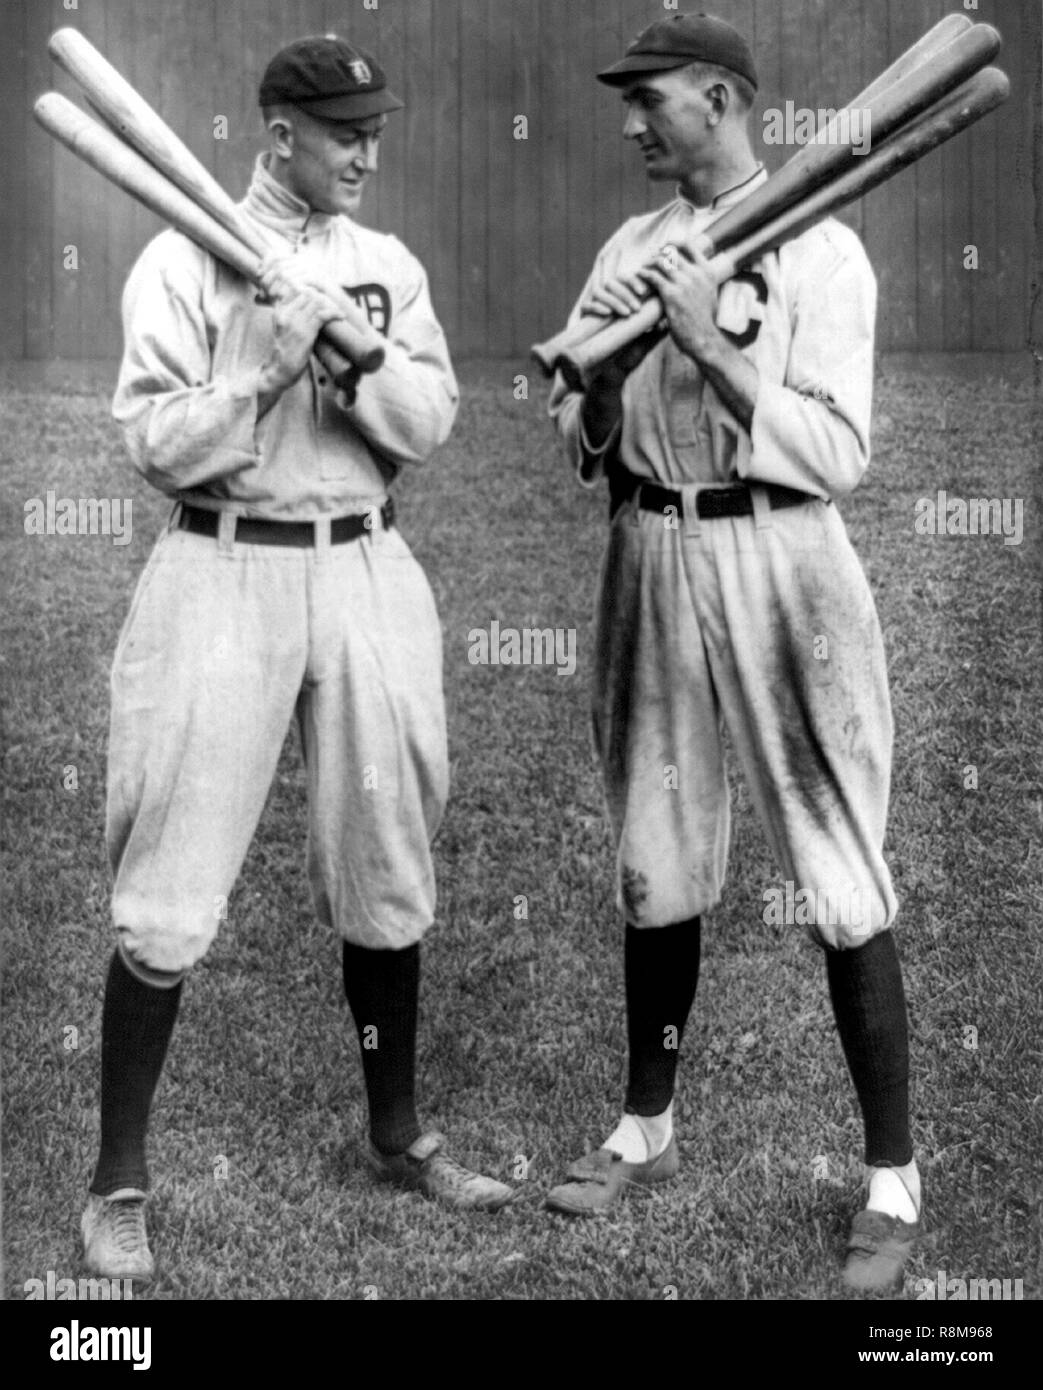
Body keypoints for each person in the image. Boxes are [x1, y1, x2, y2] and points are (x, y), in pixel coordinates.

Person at [82, 34, 513, 1285]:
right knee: (170, 874)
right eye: (341, 131)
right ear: (277, 132)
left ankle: (396, 1134)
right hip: (223, 564)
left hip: (366, 563)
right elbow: (154, 441)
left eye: (374, 128)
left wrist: (356, 354)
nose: (366, 150)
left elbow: (428, 422)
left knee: (388, 857)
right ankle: (117, 1183)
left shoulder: (384, 266)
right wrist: (263, 376)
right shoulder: (180, 252)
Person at [545, 12, 919, 1292]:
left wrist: (703, 342)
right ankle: (644, 1121)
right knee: (652, 850)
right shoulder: (629, 247)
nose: (631, 123)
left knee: (834, 862)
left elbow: (838, 453)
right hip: (648, 550)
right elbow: (581, 432)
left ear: (719, 97)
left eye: (651, 100)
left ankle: (889, 1179)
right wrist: (601, 388)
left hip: (783, 561)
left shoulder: (823, 244)